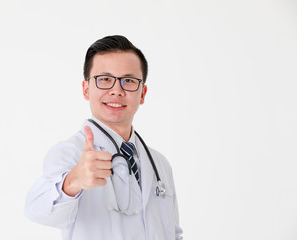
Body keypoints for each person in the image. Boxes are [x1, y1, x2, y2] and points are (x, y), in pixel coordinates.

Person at [25, 35, 183, 239]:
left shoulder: (160, 164)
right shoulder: (70, 153)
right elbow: (36, 211)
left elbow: (173, 233)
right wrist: (73, 181)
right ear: (86, 89)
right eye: (105, 79)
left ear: (142, 94)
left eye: (128, 81)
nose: (117, 90)